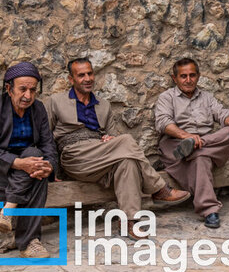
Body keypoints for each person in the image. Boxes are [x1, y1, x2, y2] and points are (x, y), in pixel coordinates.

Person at [45, 58, 191, 239]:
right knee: (127, 140)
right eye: (81, 75)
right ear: (71, 79)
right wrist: (53, 169)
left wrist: (110, 139)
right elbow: (46, 136)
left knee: (128, 161)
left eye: (90, 73)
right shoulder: (56, 101)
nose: (87, 78)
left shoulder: (103, 105)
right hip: (75, 156)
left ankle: (129, 221)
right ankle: (159, 189)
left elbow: (113, 136)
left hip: (102, 156)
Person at [0, 62, 59, 258]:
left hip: (27, 168)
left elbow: (48, 145)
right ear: (8, 89)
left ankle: (8, 210)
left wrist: (49, 167)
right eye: (22, 89)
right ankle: (30, 242)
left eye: (32, 90)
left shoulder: (38, 109)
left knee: (36, 166)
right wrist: (19, 163)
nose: (28, 96)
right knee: (33, 170)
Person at [154, 58, 229, 228]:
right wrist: (185, 136)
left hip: (203, 144)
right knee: (202, 159)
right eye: (183, 76)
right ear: (175, 78)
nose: (188, 80)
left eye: (192, 75)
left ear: (198, 76)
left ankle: (197, 146)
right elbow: (163, 123)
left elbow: (222, 113)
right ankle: (210, 210)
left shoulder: (207, 97)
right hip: (176, 144)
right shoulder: (167, 97)